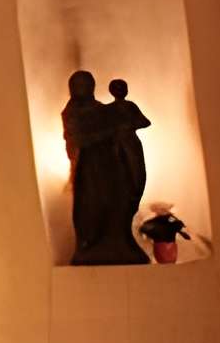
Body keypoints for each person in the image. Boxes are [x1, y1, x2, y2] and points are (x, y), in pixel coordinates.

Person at [61, 69, 152, 264]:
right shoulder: (71, 113)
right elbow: (78, 139)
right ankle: (91, 244)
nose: (82, 89)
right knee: (91, 207)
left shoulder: (103, 109)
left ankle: (117, 242)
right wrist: (108, 131)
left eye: (86, 85)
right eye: (78, 86)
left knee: (116, 205)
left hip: (111, 170)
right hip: (89, 173)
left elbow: (132, 124)